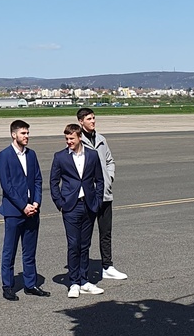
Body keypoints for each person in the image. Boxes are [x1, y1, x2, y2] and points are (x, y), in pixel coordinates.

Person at [50, 124, 105, 298]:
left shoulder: (93, 155)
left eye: (71, 139)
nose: (69, 142)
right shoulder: (60, 157)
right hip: (70, 207)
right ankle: (73, 282)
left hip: (88, 205)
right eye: (66, 139)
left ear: (79, 137)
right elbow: (53, 182)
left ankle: (84, 280)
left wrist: (97, 202)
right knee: (73, 245)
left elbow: (99, 180)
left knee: (85, 245)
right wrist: (60, 203)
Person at [0, 119, 47, 300]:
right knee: (9, 251)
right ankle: (8, 286)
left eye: (27, 133)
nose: (27, 136)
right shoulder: (4, 155)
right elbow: (7, 186)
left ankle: (30, 284)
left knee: (30, 250)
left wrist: (36, 202)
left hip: (32, 210)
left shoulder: (31, 155)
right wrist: (23, 206)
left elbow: (38, 180)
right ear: (14, 134)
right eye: (23, 133)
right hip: (14, 211)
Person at [77, 108, 126, 281]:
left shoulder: (101, 139)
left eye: (94, 118)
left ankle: (107, 266)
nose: (93, 121)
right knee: (85, 235)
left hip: (105, 194)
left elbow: (110, 161)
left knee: (106, 232)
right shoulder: (78, 140)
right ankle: (82, 271)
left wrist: (109, 178)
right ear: (81, 121)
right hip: (89, 196)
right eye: (89, 119)